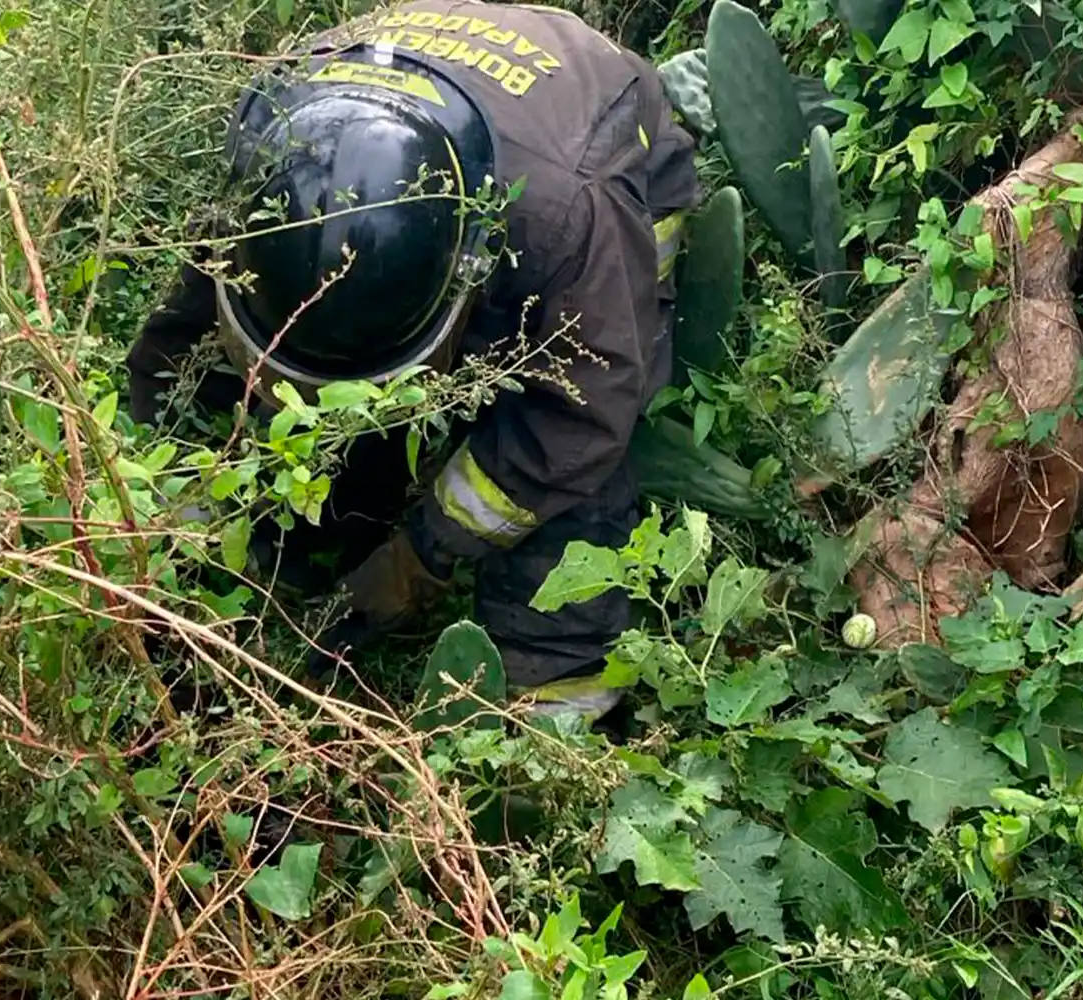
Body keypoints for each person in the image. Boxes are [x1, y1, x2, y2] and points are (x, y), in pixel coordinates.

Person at [126, 0, 701, 719]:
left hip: (605, 152)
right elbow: (182, 357)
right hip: (450, 109)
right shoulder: (268, 162)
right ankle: (324, 540)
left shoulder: (567, 219)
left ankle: (554, 699)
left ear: (471, 271)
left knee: (579, 445)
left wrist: (422, 552)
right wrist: (173, 522)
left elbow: (578, 419)